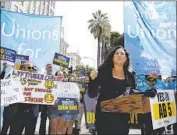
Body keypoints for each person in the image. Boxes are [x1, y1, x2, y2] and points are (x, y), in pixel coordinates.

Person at [88, 46, 135, 134]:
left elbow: (132, 96)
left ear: (126, 59)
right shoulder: (102, 72)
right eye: (116, 53)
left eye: (122, 54)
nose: (119, 55)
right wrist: (92, 79)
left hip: (122, 119)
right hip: (104, 118)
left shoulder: (130, 77)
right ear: (112, 57)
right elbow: (92, 94)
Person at [9, 63, 39, 135]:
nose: (31, 70)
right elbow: (8, 91)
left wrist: (52, 100)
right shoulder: (14, 80)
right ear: (22, 69)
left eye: (32, 68)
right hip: (17, 113)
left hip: (31, 114)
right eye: (29, 68)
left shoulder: (38, 82)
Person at [39, 64, 53, 135]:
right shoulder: (43, 77)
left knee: (51, 120)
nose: (50, 68)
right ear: (46, 68)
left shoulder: (54, 78)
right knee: (43, 120)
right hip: (44, 103)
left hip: (51, 103)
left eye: (51, 67)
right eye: (49, 67)